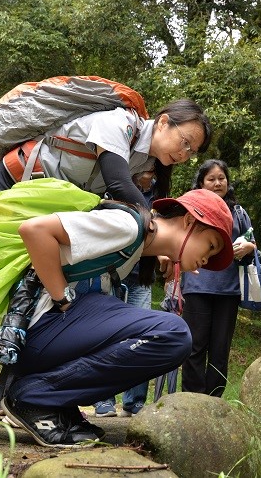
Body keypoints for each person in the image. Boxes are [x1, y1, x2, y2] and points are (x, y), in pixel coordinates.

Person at [0, 188, 234, 448]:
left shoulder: (135, 243)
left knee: (151, 325)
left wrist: (162, 254)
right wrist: (63, 299)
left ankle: (52, 399)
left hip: (46, 338)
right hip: (41, 331)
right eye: (210, 245)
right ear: (189, 220)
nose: (206, 258)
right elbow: (35, 230)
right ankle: (33, 396)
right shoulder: (127, 225)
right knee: (173, 334)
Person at [0, 98, 212, 208]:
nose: (184, 155)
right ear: (163, 122)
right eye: (185, 143)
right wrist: (152, 219)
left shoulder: (146, 163)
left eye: (191, 153)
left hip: (40, 202)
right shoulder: (120, 122)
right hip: (12, 182)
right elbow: (117, 183)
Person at [180, 159, 256, 397]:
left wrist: (249, 248)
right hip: (196, 286)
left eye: (221, 178)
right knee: (195, 346)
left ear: (228, 182)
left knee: (220, 349)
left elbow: (253, 243)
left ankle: (213, 401)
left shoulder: (238, 212)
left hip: (228, 290)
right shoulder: (190, 209)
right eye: (211, 179)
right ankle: (193, 400)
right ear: (201, 182)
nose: (217, 183)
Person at [93, 171, 156, 418]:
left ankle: (135, 401)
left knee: (141, 337)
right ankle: (102, 399)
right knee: (105, 335)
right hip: (110, 271)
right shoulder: (114, 183)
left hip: (142, 276)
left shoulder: (159, 194)